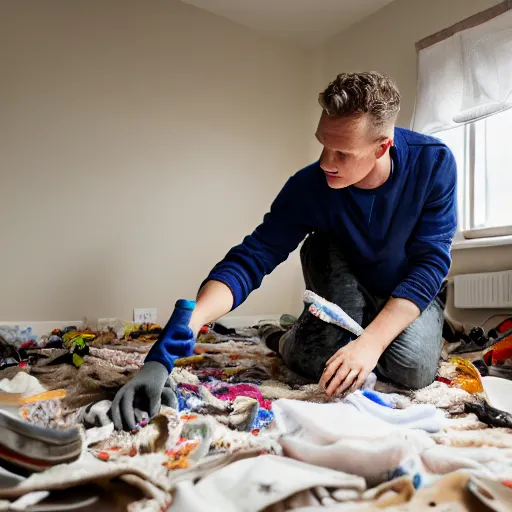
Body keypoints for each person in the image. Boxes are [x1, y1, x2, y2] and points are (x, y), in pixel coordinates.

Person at [111, 71, 457, 431]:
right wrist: (185, 330)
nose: (326, 161)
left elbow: (431, 262)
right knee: (320, 358)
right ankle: (281, 337)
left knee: (413, 370)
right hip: (342, 273)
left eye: (342, 152)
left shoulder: (434, 164)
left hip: (407, 285)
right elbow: (254, 256)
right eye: (323, 143)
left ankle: (369, 329)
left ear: (382, 147)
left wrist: (370, 343)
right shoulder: (309, 186)